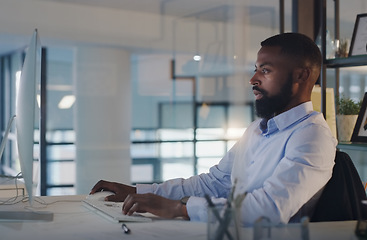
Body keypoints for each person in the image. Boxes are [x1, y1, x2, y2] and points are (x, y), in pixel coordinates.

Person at [90, 32, 337, 225]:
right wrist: (139, 191)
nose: (253, 79)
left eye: (265, 70)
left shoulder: (312, 136)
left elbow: (268, 210)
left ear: (301, 76)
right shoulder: (256, 130)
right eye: (255, 69)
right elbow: (214, 183)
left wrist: (180, 209)